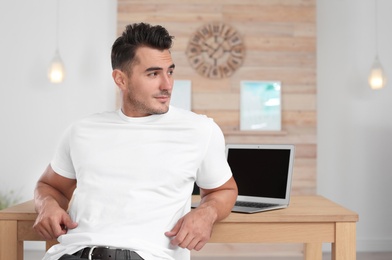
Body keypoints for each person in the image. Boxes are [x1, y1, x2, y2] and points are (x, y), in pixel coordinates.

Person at [33, 22, 238, 260]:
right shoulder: (81, 131)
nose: (167, 85)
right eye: (153, 74)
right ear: (121, 80)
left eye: (170, 72)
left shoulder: (201, 130)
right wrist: (46, 204)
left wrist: (207, 213)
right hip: (71, 254)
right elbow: (50, 186)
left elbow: (224, 190)